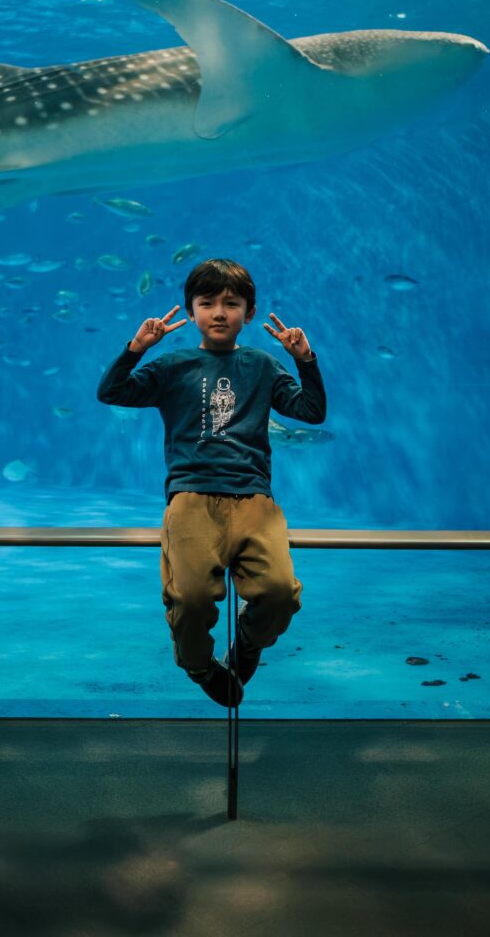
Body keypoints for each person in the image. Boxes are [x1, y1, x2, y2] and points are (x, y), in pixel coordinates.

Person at [96, 257, 327, 708]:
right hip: (192, 497)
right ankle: (200, 665)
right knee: (192, 600)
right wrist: (136, 348)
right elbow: (113, 392)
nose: (219, 312)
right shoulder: (172, 366)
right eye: (207, 303)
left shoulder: (262, 365)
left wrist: (305, 361)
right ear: (191, 310)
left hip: (253, 498)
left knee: (280, 595)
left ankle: (250, 638)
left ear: (249, 313)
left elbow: (311, 412)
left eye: (231, 303)